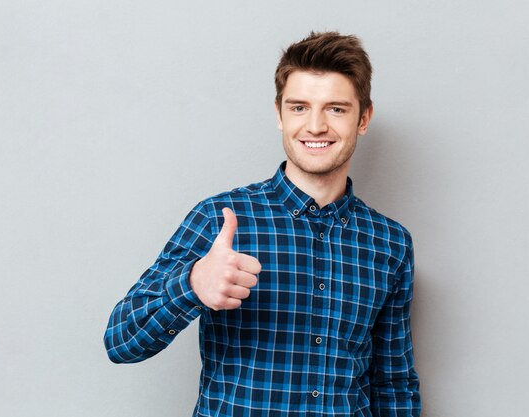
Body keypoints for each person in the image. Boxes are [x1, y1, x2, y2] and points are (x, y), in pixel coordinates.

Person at [104, 31, 421, 417]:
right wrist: (191, 285)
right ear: (279, 114)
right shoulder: (219, 219)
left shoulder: (389, 243)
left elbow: (394, 382)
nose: (316, 126)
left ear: (364, 118)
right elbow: (121, 342)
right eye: (299, 107)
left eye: (336, 109)